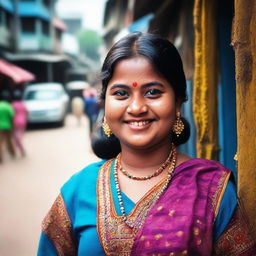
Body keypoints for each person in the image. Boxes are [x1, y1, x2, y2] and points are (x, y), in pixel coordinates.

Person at [37, 32, 256, 255]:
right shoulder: (78, 189)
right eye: (121, 93)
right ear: (105, 105)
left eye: (153, 92)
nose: (137, 107)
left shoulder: (211, 188)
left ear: (178, 102)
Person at [0, 91, 16, 163]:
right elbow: (12, 116)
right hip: (8, 126)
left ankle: (1, 157)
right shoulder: (8, 106)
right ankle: (13, 154)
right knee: (9, 141)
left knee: (0, 142)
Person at [11, 90, 28, 157]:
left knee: (17, 138)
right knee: (19, 137)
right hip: (23, 122)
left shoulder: (13, 104)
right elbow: (27, 112)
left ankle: (20, 148)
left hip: (16, 123)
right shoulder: (23, 104)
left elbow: (11, 114)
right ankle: (19, 149)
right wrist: (25, 118)